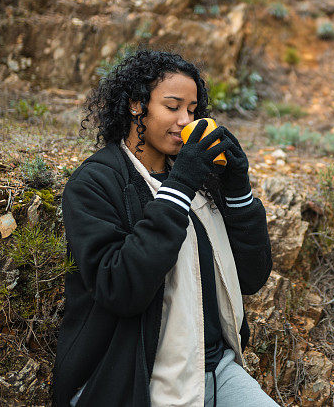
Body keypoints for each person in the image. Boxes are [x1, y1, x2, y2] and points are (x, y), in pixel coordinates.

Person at [51, 49, 278, 407]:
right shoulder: (94, 183)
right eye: (172, 107)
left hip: (217, 368)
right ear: (137, 106)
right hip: (136, 379)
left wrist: (238, 190)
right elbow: (120, 288)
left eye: (192, 110)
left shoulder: (200, 179)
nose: (185, 121)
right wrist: (182, 183)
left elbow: (252, 277)